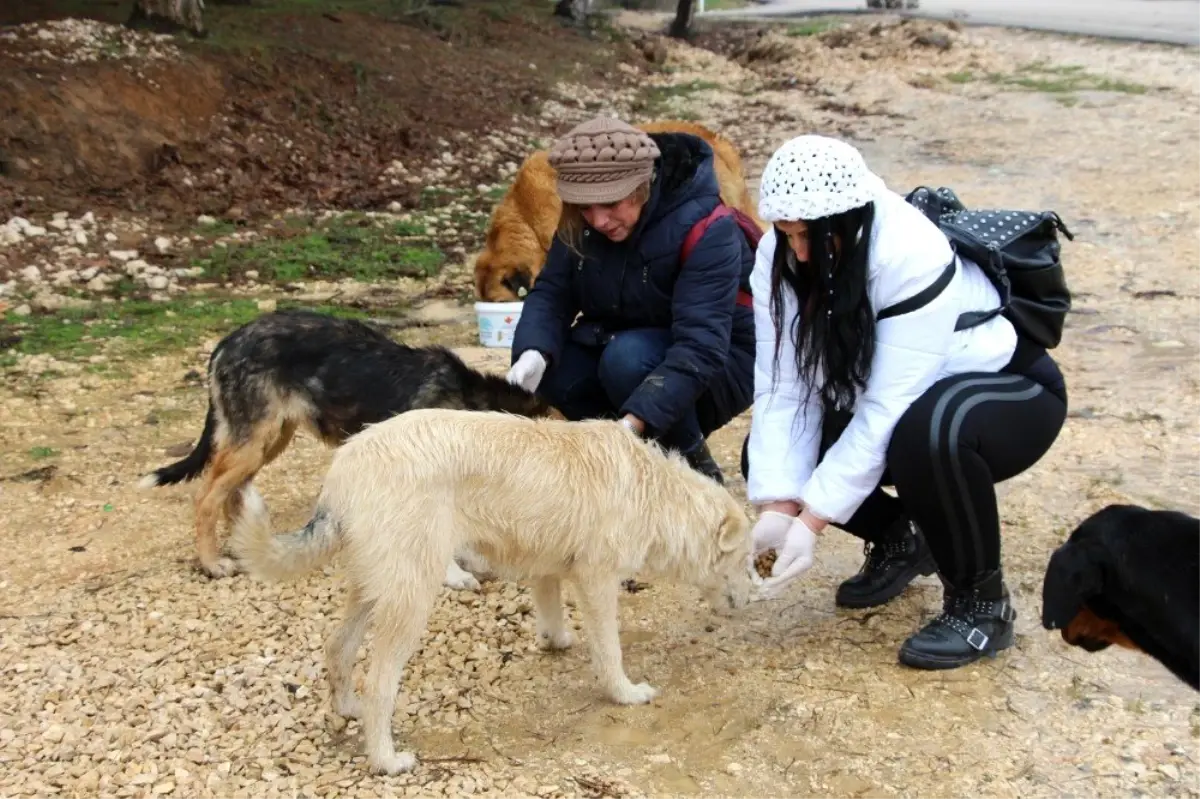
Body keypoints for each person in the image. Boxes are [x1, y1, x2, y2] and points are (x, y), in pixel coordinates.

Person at [743, 134, 1068, 670]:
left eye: (811, 237)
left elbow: (886, 408)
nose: (798, 251)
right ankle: (900, 541)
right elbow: (784, 385)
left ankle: (982, 607)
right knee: (765, 453)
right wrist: (778, 505)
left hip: (1008, 392)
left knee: (926, 431)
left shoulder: (909, 250)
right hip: (899, 397)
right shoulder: (779, 253)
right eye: (786, 233)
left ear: (849, 219)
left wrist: (813, 521)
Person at [505, 116, 757, 483]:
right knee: (556, 371)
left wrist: (632, 424)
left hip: (718, 362)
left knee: (627, 360)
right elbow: (552, 294)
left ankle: (695, 473)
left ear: (643, 184)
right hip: (627, 344)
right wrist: (533, 351)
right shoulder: (583, 223)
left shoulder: (706, 227)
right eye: (586, 208)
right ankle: (629, 475)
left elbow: (701, 347)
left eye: (610, 204)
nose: (600, 220)